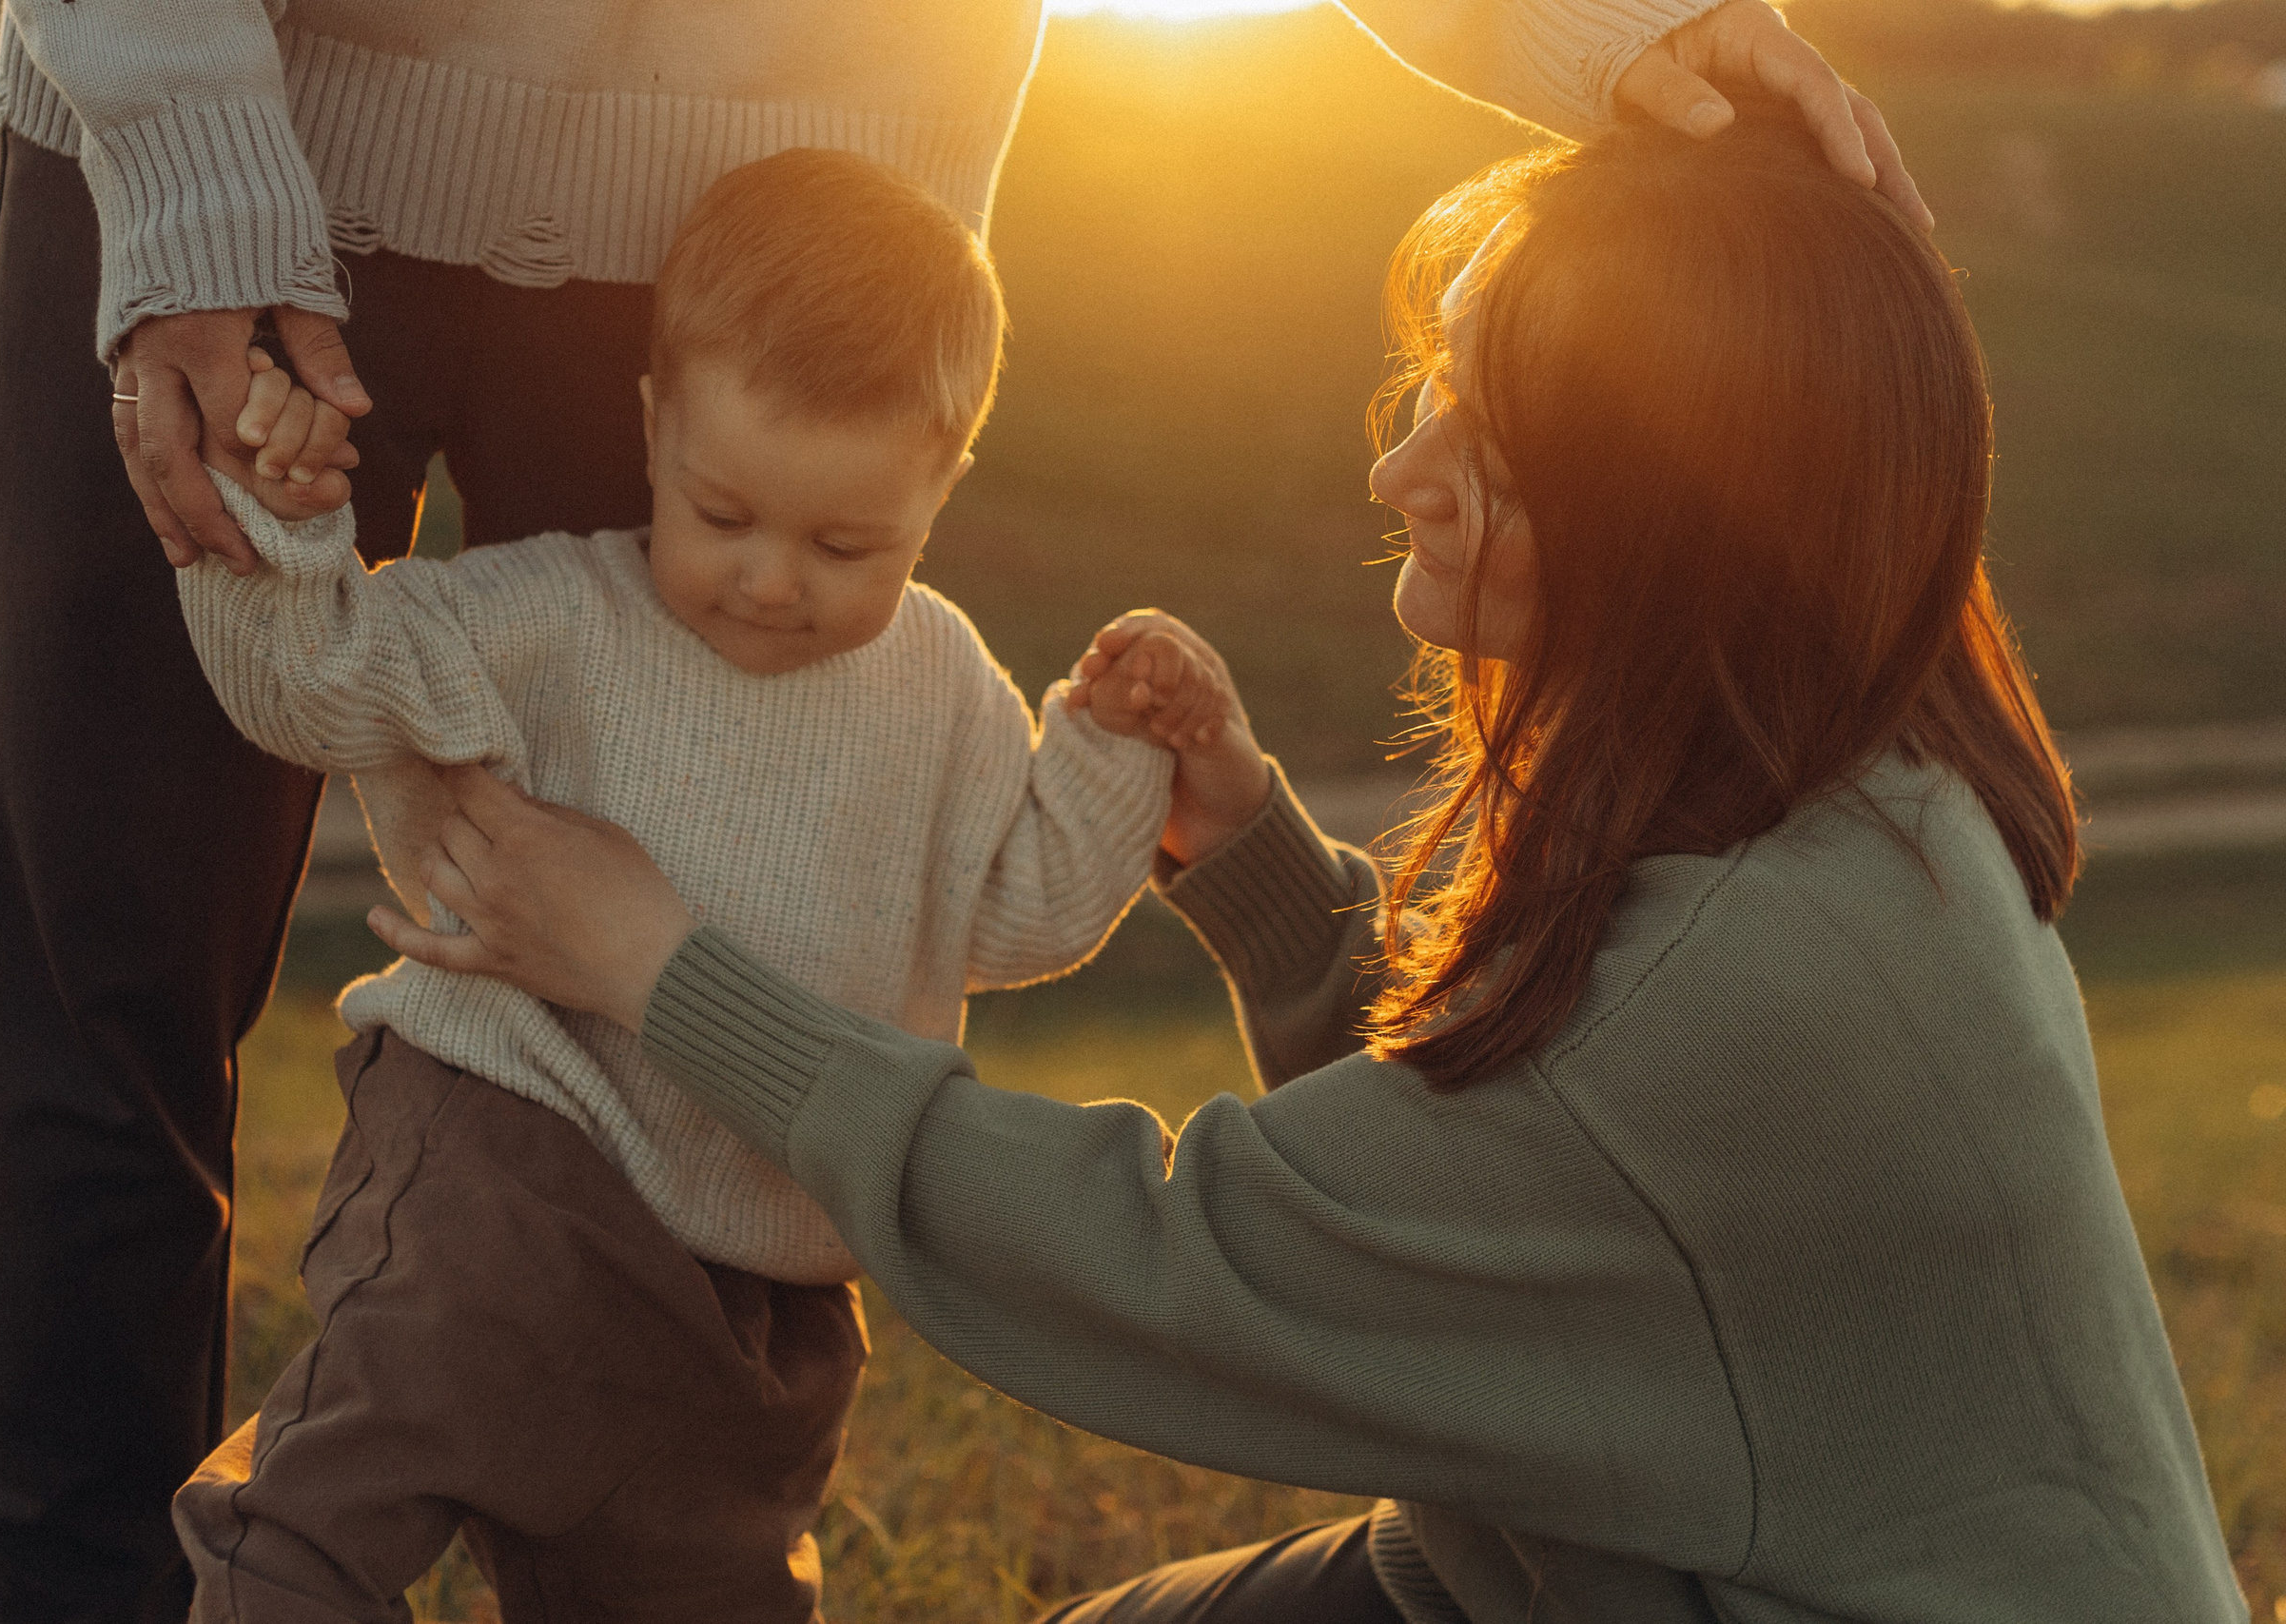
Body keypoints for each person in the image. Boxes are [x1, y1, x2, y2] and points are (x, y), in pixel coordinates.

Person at [0, 0, 1925, 1610]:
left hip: (757, 225)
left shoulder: (872, 606)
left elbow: (994, 895)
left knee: (690, 1001)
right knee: (97, 980)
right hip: (220, 108)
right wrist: (192, 190)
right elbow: (300, 675)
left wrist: (1615, 27)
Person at [370, 105, 2249, 1623]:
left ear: (1671, 506)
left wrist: (655, 964)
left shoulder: (1775, 968)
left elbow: (1173, 1256)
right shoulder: (1842, 811)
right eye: (1427, 391)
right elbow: (1509, 1182)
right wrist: (1261, 862)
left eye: (1488, 439)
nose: (1397, 470)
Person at [150, 147, 1275, 1619]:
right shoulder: (558, 614)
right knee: (350, 1489)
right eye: (724, 514)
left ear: (943, 483)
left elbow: (1012, 913)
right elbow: (317, 685)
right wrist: (281, 533)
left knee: (702, 1589)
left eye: (844, 543)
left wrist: (1113, 751)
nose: (770, 581)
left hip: (765, 1265)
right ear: (654, 426)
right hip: (513, 1154)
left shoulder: (933, 677)